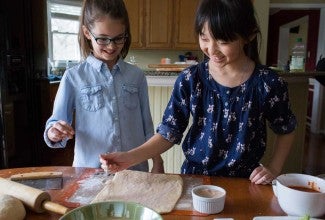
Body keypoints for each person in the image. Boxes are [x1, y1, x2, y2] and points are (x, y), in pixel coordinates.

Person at [100, 0, 297, 184]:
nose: (211, 49)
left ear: (249, 35)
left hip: (246, 182)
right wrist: (128, 158)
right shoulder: (190, 79)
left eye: (223, 41)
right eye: (204, 37)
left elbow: (286, 129)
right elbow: (169, 133)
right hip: (195, 179)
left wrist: (274, 167)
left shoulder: (268, 83)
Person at [44, 0, 164, 172]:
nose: (111, 46)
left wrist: (157, 161)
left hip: (135, 171)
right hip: (90, 173)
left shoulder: (136, 76)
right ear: (87, 32)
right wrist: (54, 132)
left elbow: (147, 126)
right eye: (102, 39)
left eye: (118, 38)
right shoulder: (73, 77)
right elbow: (55, 122)